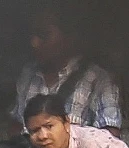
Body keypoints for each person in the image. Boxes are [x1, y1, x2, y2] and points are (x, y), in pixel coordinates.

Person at [9, 5, 122, 136]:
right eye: (32, 35)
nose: (34, 42)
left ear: (70, 38)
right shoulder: (28, 74)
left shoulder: (98, 79)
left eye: (43, 35)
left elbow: (110, 139)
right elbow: (16, 124)